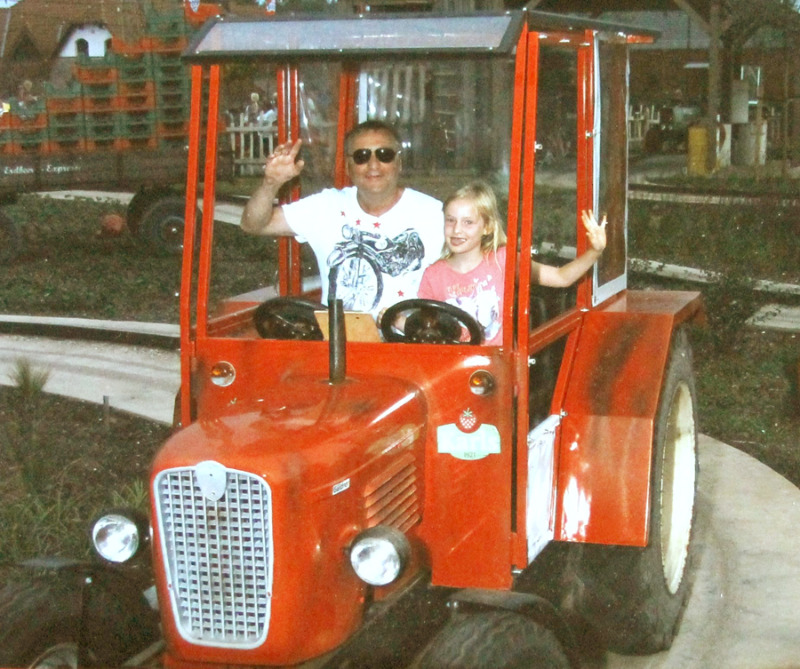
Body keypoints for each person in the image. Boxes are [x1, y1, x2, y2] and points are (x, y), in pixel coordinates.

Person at [240, 120, 444, 314]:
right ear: (348, 167)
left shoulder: (435, 214)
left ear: (398, 163)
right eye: (361, 156)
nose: (373, 164)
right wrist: (271, 182)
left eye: (384, 154)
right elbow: (254, 224)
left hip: (409, 345)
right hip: (339, 344)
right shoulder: (327, 206)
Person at [416, 180, 607, 345]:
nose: (457, 230)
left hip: (496, 370)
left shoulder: (502, 260)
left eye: (468, 222)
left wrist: (594, 251)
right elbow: (424, 327)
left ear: (487, 227)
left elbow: (561, 277)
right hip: (453, 367)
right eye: (450, 220)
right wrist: (397, 321)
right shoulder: (433, 275)